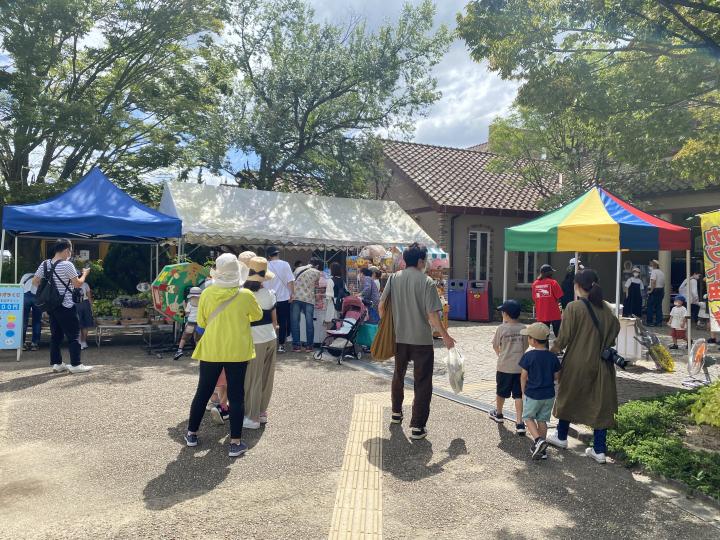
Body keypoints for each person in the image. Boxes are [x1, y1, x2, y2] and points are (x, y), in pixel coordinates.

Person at [185, 253, 262, 458]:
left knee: (203, 391)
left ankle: (192, 433)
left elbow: (201, 323)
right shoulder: (245, 294)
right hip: (238, 350)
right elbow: (257, 315)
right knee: (236, 395)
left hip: (211, 348)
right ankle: (235, 443)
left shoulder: (207, 294)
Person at [380, 243, 455, 440]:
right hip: (421, 340)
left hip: (399, 337)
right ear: (421, 261)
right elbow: (432, 315)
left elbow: (381, 306)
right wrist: (445, 336)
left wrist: (389, 325)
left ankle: (396, 413)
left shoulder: (394, 278)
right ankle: (417, 427)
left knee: (398, 374)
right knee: (422, 383)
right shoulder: (427, 281)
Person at [548, 268, 620, 464]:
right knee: (600, 403)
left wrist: (551, 351)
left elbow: (563, 338)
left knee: (568, 395)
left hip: (577, 361)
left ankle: (561, 436)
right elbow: (614, 334)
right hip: (602, 363)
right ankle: (599, 450)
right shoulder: (608, 309)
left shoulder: (573, 307)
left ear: (578, 286)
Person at [32, 238, 93, 374]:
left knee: (56, 335)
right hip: (66, 304)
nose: (70, 254)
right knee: (74, 334)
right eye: (70, 251)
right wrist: (84, 274)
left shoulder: (45, 264)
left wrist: (50, 289)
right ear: (66, 250)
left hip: (51, 305)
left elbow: (35, 281)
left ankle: (57, 363)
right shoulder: (67, 265)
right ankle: (76, 364)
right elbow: (78, 284)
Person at [240, 257, 279, 429]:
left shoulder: (243, 296)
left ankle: (252, 416)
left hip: (255, 339)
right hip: (270, 337)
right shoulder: (269, 294)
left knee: (252, 378)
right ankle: (262, 412)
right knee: (266, 377)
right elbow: (273, 319)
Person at [519, 323, 561, 460]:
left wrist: (523, 391)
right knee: (542, 420)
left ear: (533, 341)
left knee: (528, 417)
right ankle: (542, 451)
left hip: (533, 394)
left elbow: (523, 376)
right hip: (549, 395)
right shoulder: (552, 357)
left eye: (529, 338)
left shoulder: (529, 356)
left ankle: (538, 440)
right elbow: (557, 376)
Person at [490, 299, 527, 434]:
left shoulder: (501, 328)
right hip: (520, 368)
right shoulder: (523, 328)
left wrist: (501, 354)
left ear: (505, 314)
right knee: (518, 394)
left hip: (504, 367)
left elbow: (495, 345)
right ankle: (519, 422)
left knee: (501, 392)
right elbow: (526, 346)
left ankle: (499, 414)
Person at [264, 247, 295, 353]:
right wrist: (292, 294)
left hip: (269, 297)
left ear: (269, 256)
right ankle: (281, 345)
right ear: (277, 254)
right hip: (283, 297)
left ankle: (269, 344)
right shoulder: (285, 264)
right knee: (283, 322)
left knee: (269, 321)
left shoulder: (265, 265)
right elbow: (290, 281)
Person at [291, 257, 323, 352]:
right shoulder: (317, 273)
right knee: (309, 322)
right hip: (309, 299)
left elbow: (292, 282)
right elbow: (317, 286)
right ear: (317, 265)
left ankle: (296, 346)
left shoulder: (298, 269)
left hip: (296, 297)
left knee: (295, 322)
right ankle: (309, 346)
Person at [531, 264, 563, 337]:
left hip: (541, 314)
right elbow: (560, 296)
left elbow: (534, 298)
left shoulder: (535, 284)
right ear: (549, 273)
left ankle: (545, 349)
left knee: (543, 337)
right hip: (554, 314)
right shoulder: (553, 282)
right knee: (559, 336)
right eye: (551, 272)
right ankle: (558, 348)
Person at [174, 287, 202, 360]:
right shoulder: (202, 303)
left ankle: (179, 350)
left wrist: (180, 311)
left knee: (184, 338)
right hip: (199, 324)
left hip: (190, 324)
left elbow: (185, 314)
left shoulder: (190, 303)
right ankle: (198, 353)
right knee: (197, 339)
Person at [20, 272, 41, 351]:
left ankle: (22, 343)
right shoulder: (42, 275)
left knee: (24, 321)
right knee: (37, 321)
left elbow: (20, 286)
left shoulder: (25, 275)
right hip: (37, 297)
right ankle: (34, 344)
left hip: (25, 296)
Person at [76, 281, 95, 350]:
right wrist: (91, 307)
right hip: (86, 304)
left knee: (78, 324)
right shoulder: (85, 284)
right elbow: (89, 297)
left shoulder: (72, 283)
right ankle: (84, 342)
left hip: (76, 304)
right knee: (85, 325)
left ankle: (79, 342)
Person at [647, 259, 665, 327]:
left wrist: (651, 290)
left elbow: (653, 281)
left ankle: (649, 322)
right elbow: (663, 283)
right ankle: (659, 322)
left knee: (650, 307)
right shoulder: (662, 272)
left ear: (653, 265)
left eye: (650, 265)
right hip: (661, 290)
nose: (650, 266)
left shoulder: (654, 272)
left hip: (655, 290)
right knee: (658, 307)